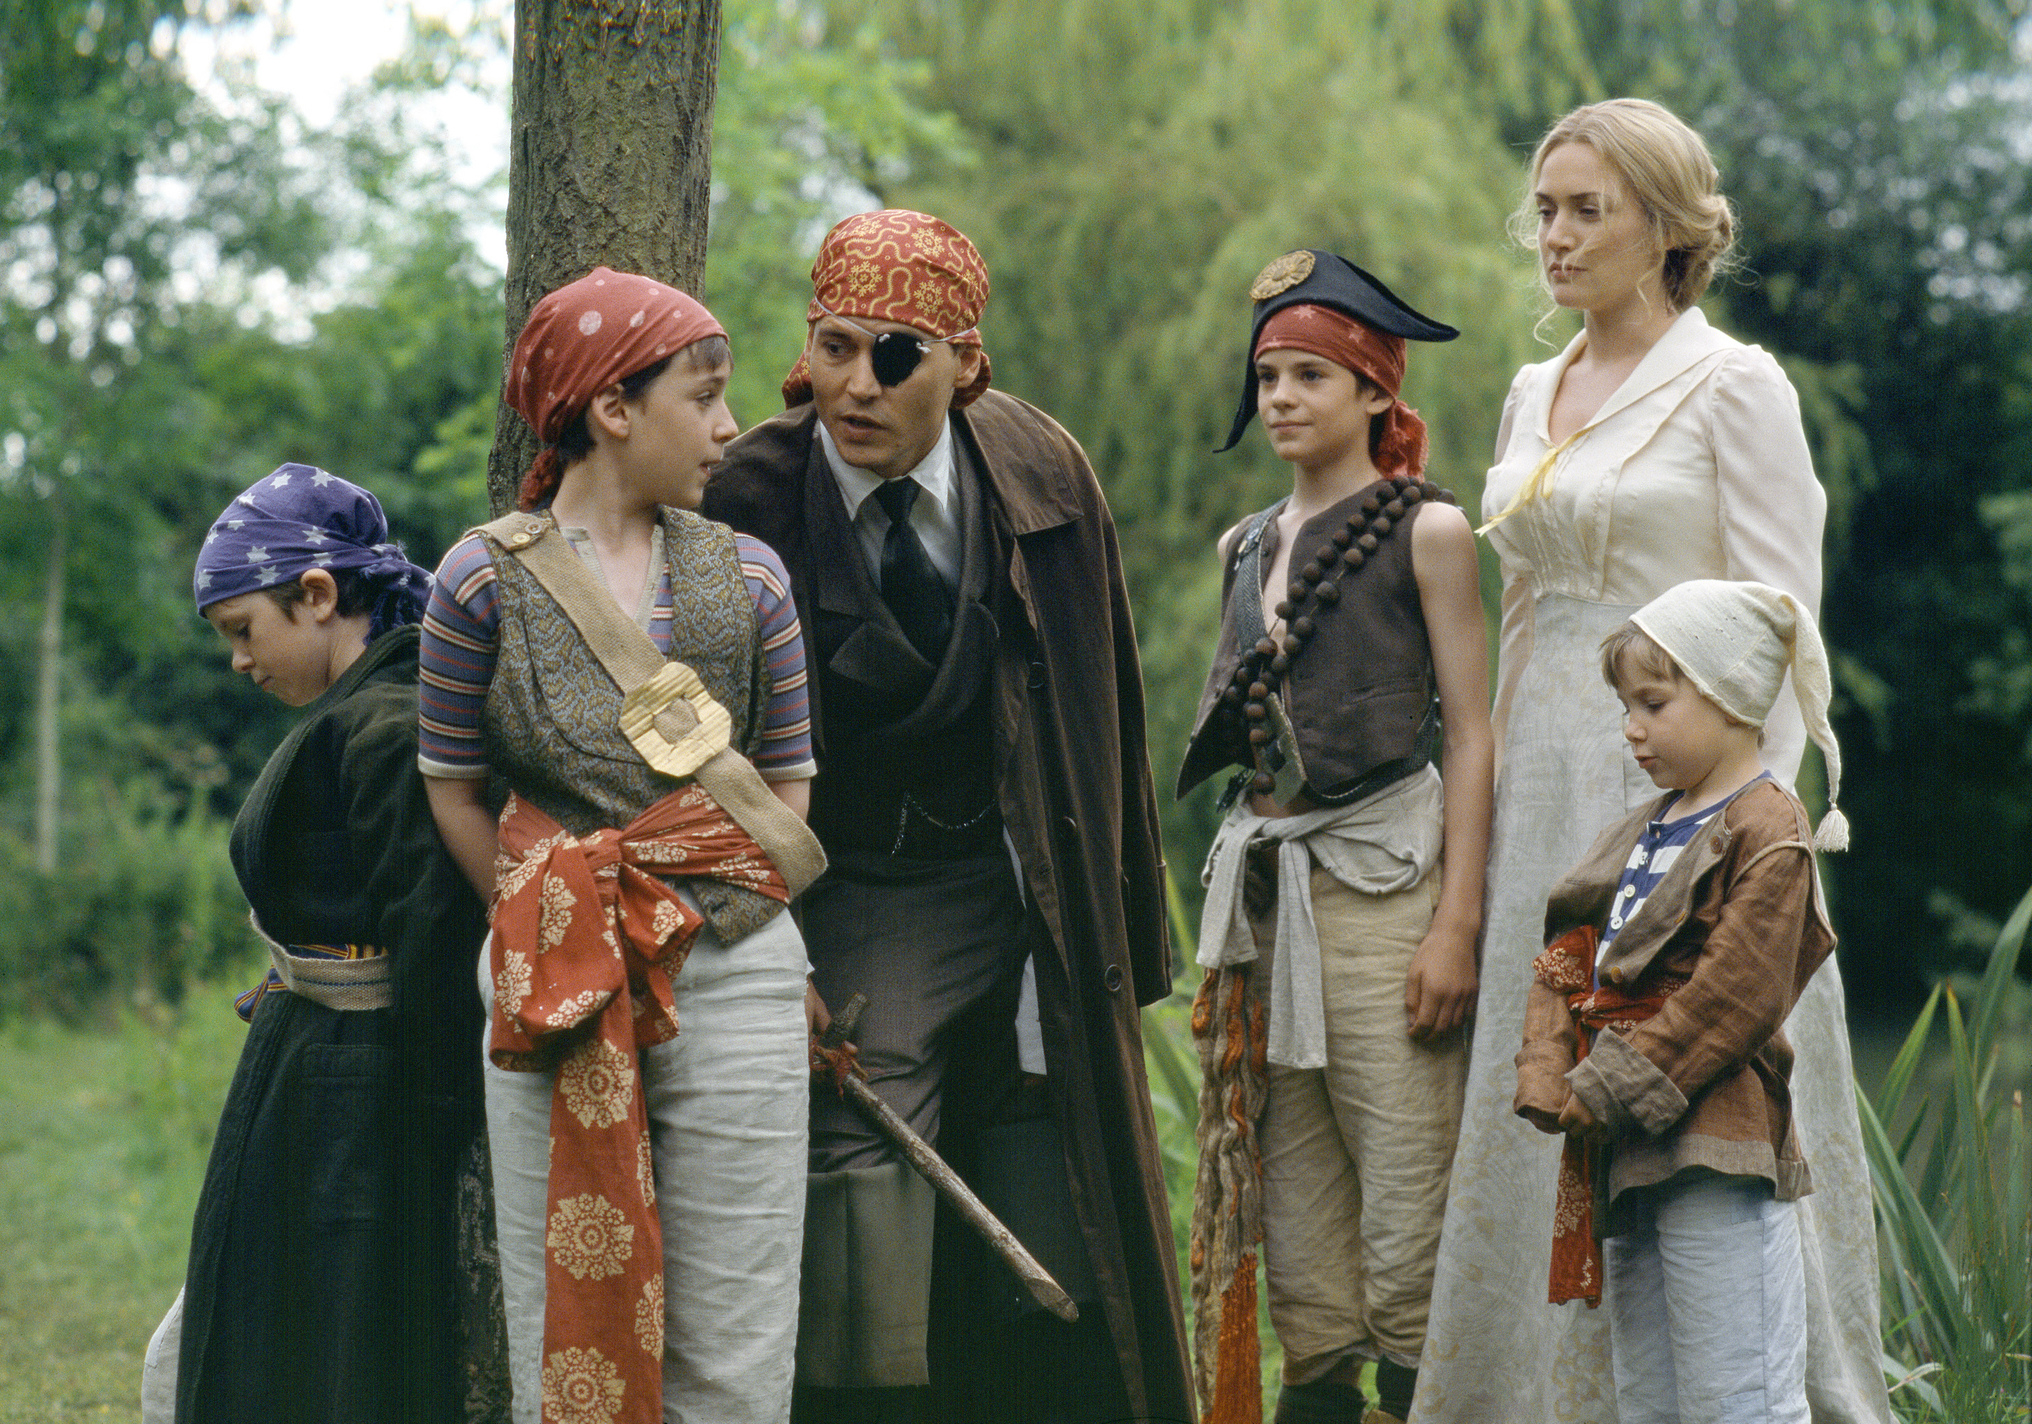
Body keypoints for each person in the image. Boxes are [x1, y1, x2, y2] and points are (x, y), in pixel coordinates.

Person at [1415, 98, 1892, 1422]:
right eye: (1547, 210)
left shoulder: (1736, 384)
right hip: (1548, 793)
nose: (1554, 238)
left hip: (1684, 788)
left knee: (1692, 1090)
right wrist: (1487, 841)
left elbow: (1780, 637)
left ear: (1668, 231)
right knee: (1550, 1077)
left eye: (1588, 211)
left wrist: (1753, 842)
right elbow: (1514, 629)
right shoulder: (1530, 389)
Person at [704, 209, 1190, 1424]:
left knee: (1057, 1160)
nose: (855, 384)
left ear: (966, 363)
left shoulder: (1039, 468)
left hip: (1029, 871)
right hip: (853, 886)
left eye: (895, 354)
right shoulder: (743, 496)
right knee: (863, 1173)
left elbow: (1102, 703)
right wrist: (764, 948)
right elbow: (692, 761)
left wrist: (1120, 923)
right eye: (832, 345)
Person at [416, 268, 825, 1424]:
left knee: (739, 1318)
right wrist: (548, 908)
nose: (727, 426)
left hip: (735, 965)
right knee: (557, 1296)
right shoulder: (476, 580)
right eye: (701, 397)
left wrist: (704, 920)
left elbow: (786, 788)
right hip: (554, 974)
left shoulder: (751, 577)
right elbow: (451, 785)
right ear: (611, 408)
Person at [1175, 251, 1491, 1424]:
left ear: (1374, 392)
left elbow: (1469, 735)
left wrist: (1454, 924)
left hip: (1385, 888)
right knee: (1297, 1214)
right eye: (1266, 376)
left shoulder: (1429, 530)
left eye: (1311, 373)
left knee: (1407, 1192)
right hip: (1267, 905)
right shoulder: (1241, 546)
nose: (1281, 398)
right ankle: (1315, 1387)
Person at [142, 466, 489, 1424]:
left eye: (244, 630)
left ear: (320, 595)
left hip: (362, 1096)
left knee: (337, 1348)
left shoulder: (384, 724)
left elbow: (430, 927)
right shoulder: (361, 713)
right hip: (322, 1073)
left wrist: (435, 1112)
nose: (239, 662)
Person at [1515, 579, 1850, 1424]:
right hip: (1627, 1146)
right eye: (1627, 704)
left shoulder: (1769, 828)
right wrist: (1549, 1064)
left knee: (1739, 1393)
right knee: (1652, 1395)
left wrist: (1606, 1085)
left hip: (1715, 1139)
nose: (1631, 727)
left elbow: (1734, 995)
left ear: (1730, 694)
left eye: (1653, 703)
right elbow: (1569, 953)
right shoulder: (1644, 828)